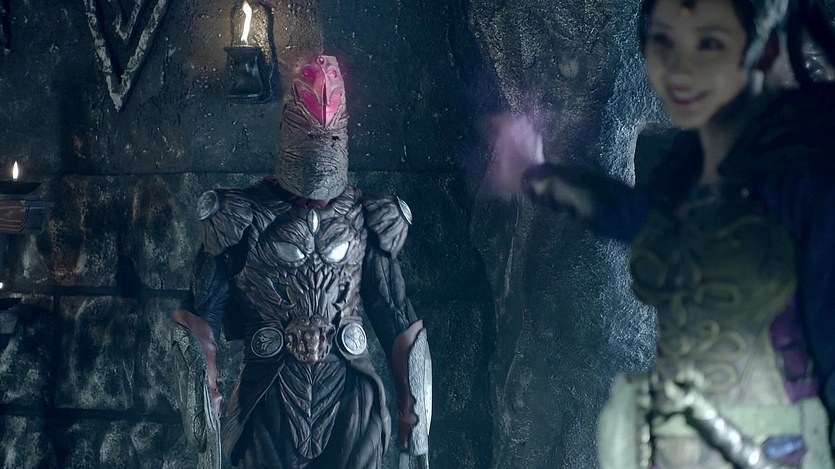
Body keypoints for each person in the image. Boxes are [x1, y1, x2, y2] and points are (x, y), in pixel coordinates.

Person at [489, 0, 835, 467]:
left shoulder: (809, 169)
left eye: (709, 43)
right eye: (665, 43)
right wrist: (540, 176)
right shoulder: (704, 159)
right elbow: (642, 217)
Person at [170, 53, 432, 469]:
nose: (321, 146)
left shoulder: (365, 216)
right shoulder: (241, 214)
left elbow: (398, 320)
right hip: (268, 392)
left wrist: (412, 418)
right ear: (289, 133)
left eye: (331, 138)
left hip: (352, 394)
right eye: (311, 135)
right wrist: (206, 406)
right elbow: (200, 319)